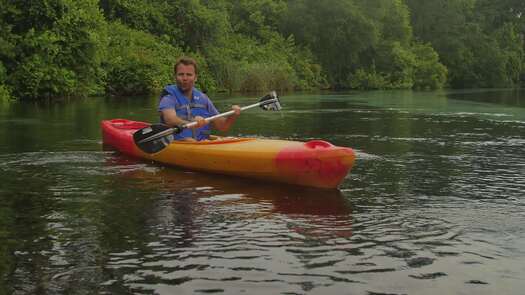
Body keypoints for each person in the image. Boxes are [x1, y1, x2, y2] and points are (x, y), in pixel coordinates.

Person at [158, 57, 241, 141]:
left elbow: (223, 127)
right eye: (181, 74)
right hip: (180, 142)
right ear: (175, 76)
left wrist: (233, 115)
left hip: (203, 143)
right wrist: (193, 122)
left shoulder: (203, 98)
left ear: (195, 77)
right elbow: (170, 119)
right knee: (189, 140)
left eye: (189, 75)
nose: (185, 78)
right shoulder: (169, 95)